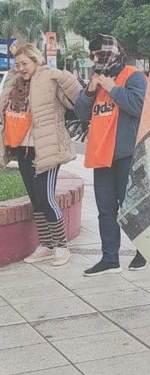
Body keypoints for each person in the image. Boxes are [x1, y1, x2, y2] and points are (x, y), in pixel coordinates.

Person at [0, 43, 82, 266]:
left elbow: (76, 99)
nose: (21, 68)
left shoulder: (50, 78)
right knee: (36, 200)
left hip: (47, 147)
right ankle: (46, 245)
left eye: (24, 63)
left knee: (46, 198)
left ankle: (61, 246)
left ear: (36, 60)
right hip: (23, 148)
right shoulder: (14, 81)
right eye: (17, 64)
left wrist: (61, 76)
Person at [75, 35, 147, 276]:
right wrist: (90, 90)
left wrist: (112, 88)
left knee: (133, 206)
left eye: (98, 54)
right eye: (92, 55)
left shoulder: (133, 75)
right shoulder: (95, 79)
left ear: (111, 53)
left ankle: (145, 252)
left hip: (127, 153)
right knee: (106, 209)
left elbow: (138, 105)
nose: (95, 59)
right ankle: (109, 258)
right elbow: (80, 112)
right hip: (101, 154)